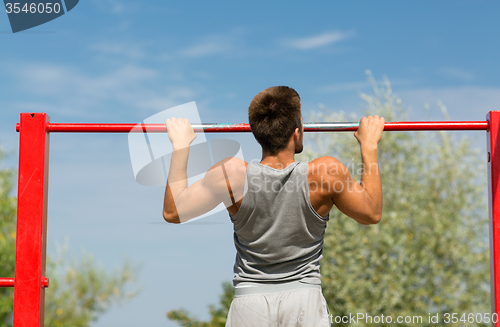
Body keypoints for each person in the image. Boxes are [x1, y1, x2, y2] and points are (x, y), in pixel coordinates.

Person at [162, 86, 384, 327]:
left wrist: (180, 146)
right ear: (297, 133)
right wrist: (369, 146)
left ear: (258, 134)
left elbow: (173, 212)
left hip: (250, 303)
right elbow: (371, 212)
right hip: (304, 301)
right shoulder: (325, 173)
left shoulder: (231, 175)